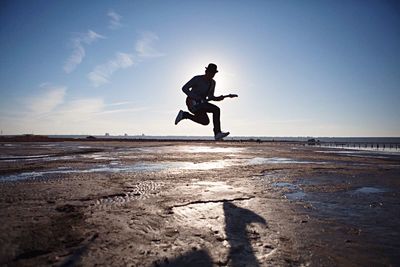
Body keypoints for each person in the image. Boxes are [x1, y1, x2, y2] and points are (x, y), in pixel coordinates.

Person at [174, 63, 231, 141]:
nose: (212, 74)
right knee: (216, 109)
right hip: (192, 103)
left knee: (205, 121)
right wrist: (195, 97)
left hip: (202, 104)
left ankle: (184, 115)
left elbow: (210, 97)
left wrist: (219, 98)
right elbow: (184, 88)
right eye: (210, 72)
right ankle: (217, 133)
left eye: (213, 73)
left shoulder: (213, 83)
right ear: (206, 71)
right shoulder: (197, 79)